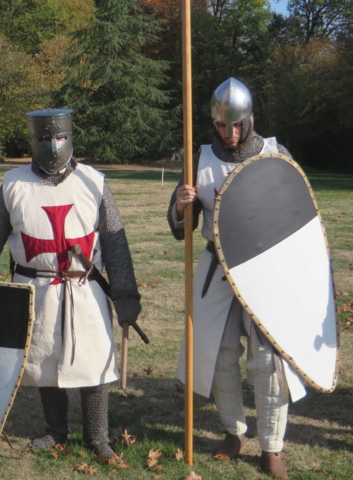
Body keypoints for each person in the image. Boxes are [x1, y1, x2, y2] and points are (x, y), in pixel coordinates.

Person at [0, 109, 142, 461]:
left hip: (84, 288)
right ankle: (56, 430)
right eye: (43, 138)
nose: (52, 145)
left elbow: (115, 246)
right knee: (44, 360)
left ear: (70, 135)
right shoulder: (13, 184)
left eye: (58, 136)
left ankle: (97, 436)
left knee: (92, 360)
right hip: (35, 288)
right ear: (32, 139)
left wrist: (126, 293)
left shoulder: (93, 182)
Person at [168, 78, 303, 479]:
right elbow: (181, 228)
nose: (230, 134)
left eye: (238, 125)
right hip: (217, 269)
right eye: (223, 126)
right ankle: (233, 433)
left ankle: (271, 448)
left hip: (264, 271)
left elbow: (296, 216)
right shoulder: (200, 157)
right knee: (220, 355)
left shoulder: (275, 154)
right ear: (214, 122)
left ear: (250, 119)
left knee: (267, 361)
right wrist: (181, 205)